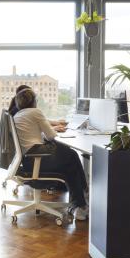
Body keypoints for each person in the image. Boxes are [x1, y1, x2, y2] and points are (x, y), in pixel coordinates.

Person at [12, 88, 89, 220]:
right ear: (34, 101)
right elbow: (51, 136)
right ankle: (82, 197)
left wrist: (46, 132)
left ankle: (80, 200)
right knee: (72, 156)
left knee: (68, 159)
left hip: (28, 160)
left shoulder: (18, 115)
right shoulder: (35, 112)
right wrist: (53, 130)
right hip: (36, 159)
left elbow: (37, 135)